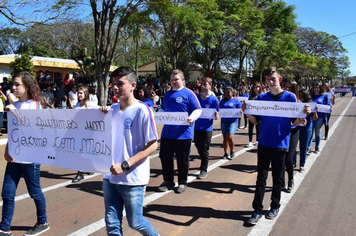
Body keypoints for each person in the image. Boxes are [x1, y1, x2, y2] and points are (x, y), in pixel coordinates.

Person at [99, 66, 159, 236]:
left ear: (133, 85)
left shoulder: (142, 110)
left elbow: (153, 144)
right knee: (112, 224)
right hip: (109, 178)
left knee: (136, 222)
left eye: (120, 84)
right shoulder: (111, 110)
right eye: (113, 84)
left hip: (132, 179)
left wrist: (125, 165)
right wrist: (100, 118)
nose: (115, 88)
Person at [244, 67, 304, 225]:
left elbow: (294, 121)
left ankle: (274, 206)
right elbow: (256, 121)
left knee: (277, 178)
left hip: (281, 144)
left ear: (280, 79)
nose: (270, 82)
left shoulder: (290, 97)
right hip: (264, 143)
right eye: (268, 79)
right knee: (261, 178)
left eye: (273, 79)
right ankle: (257, 210)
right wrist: (246, 112)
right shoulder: (262, 97)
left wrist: (303, 117)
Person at [0, 71, 49, 236]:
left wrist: (13, 108)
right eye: (13, 84)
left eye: (17, 84)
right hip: (14, 157)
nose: (13, 87)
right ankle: (4, 228)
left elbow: (31, 128)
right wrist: (8, 149)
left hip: (31, 158)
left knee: (34, 191)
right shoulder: (15, 105)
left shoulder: (35, 105)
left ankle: (42, 221)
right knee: (7, 193)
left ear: (27, 86)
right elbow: (14, 131)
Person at [158, 69, 202, 194]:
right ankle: (168, 181)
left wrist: (191, 117)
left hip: (183, 134)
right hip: (167, 133)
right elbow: (163, 109)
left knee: (182, 160)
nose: (173, 82)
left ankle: (182, 182)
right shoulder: (167, 94)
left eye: (176, 79)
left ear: (182, 80)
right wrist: (158, 115)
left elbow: (198, 110)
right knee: (165, 157)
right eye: (172, 80)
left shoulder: (189, 93)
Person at [194, 77, 219, 179]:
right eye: (202, 84)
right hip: (197, 127)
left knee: (204, 148)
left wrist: (216, 115)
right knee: (197, 145)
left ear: (210, 85)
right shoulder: (197, 98)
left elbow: (216, 113)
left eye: (205, 84)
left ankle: (203, 169)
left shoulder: (213, 100)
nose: (203, 86)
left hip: (207, 128)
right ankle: (205, 161)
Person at [71, 85, 97, 183]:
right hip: (78, 132)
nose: (79, 95)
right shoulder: (77, 105)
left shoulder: (91, 105)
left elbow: (100, 111)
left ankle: (80, 173)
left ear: (85, 94)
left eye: (81, 93)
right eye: (78, 93)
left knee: (83, 152)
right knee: (80, 152)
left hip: (88, 133)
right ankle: (88, 168)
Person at [283, 79, 300, 192]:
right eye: (286, 87)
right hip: (282, 131)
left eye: (290, 88)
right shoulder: (281, 100)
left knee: (289, 157)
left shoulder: (297, 102)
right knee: (281, 158)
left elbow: (300, 118)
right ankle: (281, 181)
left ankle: (290, 180)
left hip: (293, 131)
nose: (287, 89)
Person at [295, 89, 318, 172]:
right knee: (293, 146)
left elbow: (315, 118)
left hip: (306, 127)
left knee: (303, 147)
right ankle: (293, 162)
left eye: (302, 96)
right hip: (296, 126)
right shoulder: (296, 103)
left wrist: (314, 111)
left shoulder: (311, 104)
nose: (300, 97)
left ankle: (302, 164)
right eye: (299, 95)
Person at [219, 86, 241, 160]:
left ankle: (232, 150)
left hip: (233, 122)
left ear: (232, 92)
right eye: (225, 92)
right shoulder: (222, 101)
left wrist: (240, 111)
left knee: (230, 136)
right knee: (225, 137)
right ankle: (225, 153)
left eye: (228, 92)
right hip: (224, 121)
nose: (227, 94)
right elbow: (219, 109)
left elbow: (240, 110)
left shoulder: (236, 101)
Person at [310, 83, 332, 153]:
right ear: (313, 89)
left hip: (320, 117)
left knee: (317, 132)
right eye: (315, 88)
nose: (316, 89)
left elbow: (329, 106)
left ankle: (317, 147)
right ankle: (309, 147)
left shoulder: (324, 96)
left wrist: (329, 108)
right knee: (310, 132)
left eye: (318, 88)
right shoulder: (310, 96)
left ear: (320, 89)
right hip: (311, 116)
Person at [246, 83, 262, 148]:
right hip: (251, 114)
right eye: (255, 87)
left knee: (258, 128)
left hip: (259, 115)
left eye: (257, 87)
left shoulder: (262, 96)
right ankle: (250, 141)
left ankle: (257, 140)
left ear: (260, 88)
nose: (256, 88)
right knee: (250, 127)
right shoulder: (251, 96)